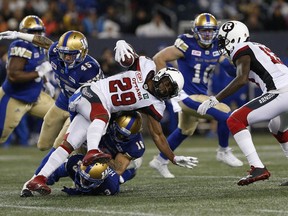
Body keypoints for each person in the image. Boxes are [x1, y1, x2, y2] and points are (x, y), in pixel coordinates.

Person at [24, 40, 199, 196]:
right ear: (162, 75)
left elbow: (158, 135)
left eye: (170, 89)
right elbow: (128, 58)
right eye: (166, 82)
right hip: (90, 93)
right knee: (104, 115)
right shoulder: (146, 66)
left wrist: (172, 158)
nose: (165, 88)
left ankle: (38, 179)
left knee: (68, 145)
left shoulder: (156, 105)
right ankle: (93, 151)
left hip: (90, 108)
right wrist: (122, 44)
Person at [0, 29, 103, 196]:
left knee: (60, 146)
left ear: (83, 53)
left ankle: (34, 180)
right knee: (42, 143)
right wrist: (19, 35)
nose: (66, 58)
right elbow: (45, 42)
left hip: (80, 107)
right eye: (64, 54)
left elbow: (96, 100)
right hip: (63, 100)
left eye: (71, 54)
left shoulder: (90, 69)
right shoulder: (57, 53)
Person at [149, 13, 243, 179]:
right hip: (185, 96)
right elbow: (159, 59)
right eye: (203, 31)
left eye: (211, 31)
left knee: (185, 130)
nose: (207, 34)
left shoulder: (217, 46)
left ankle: (160, 160)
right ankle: (223, 150)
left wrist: (239, 65)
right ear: (195, 31)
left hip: (200, 96)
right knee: (226, 115)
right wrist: (168, 87)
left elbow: (229, 69)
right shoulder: (187, 44)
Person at [197, 20, 288, 186]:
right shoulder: (255, 47)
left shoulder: (241, 48)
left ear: (233, 38)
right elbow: (239, 72)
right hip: (284, 90)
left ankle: (258, 167)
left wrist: (215, 99)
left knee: (235, 119)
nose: (221, 45)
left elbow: (241, 79)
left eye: (223, 40)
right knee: (277, 128)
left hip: (280, 92)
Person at [45, 111, 144, 196]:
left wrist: (100, 155)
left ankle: (129, 172)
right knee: (73, 161)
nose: (120, 138)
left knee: (114, 178)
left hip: (110, 158)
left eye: (124, 136)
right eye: (119, 133)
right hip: (90, 145)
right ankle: (50, 177)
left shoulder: (134, 145)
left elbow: (117, 169)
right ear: (114, 123)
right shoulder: (107, 117)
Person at [0, 15, 55, 145]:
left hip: (35, 95)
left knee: (61, 115)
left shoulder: (40, 46)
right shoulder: (21, 45)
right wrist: (39, 73)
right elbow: (13, 76)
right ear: (24, 33)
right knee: (1, 134)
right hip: (15, 97)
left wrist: (46, 82)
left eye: (39, 31)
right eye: (32, 32)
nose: (37, 35)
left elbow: (38, 65)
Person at [47, 154, 120, 196]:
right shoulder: (74, 164)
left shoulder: (110, 186)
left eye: (88, 181)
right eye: (82, 177)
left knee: (123, 177)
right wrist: (48, 178)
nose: (83, 181)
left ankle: (131, 170)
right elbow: (59, 170)